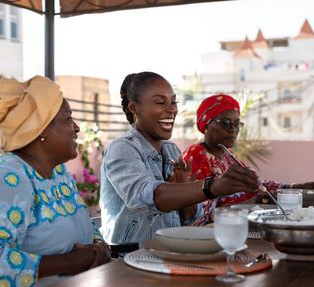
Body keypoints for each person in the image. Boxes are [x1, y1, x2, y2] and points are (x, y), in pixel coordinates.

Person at [0, 76, 111, 287]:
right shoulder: (8, 177)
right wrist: (68, 263)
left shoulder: (57, 173)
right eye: (68, 119)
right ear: (41, 129)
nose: (76, 128)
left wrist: (99, 245)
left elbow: (84, 225)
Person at [99, 72, 261, 245]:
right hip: (128, 262)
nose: (171, 109)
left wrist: (184, 193)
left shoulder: (171, 150)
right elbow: (143, 198)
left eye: (173, 102)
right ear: (134, 108)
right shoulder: (123, 148)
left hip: (170, 253)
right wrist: (213, 186)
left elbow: (187, 218)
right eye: (160, 102)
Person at [183, 94, 314, 226]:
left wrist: (296, 187)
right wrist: (253, 202)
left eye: (237, 124)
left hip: (241, 227)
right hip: (216, 235)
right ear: (206, 125)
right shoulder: (195, 156)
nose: (233, 129)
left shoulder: (228, 156)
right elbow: (200, 217)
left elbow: (258, 186)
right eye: (225, 123)